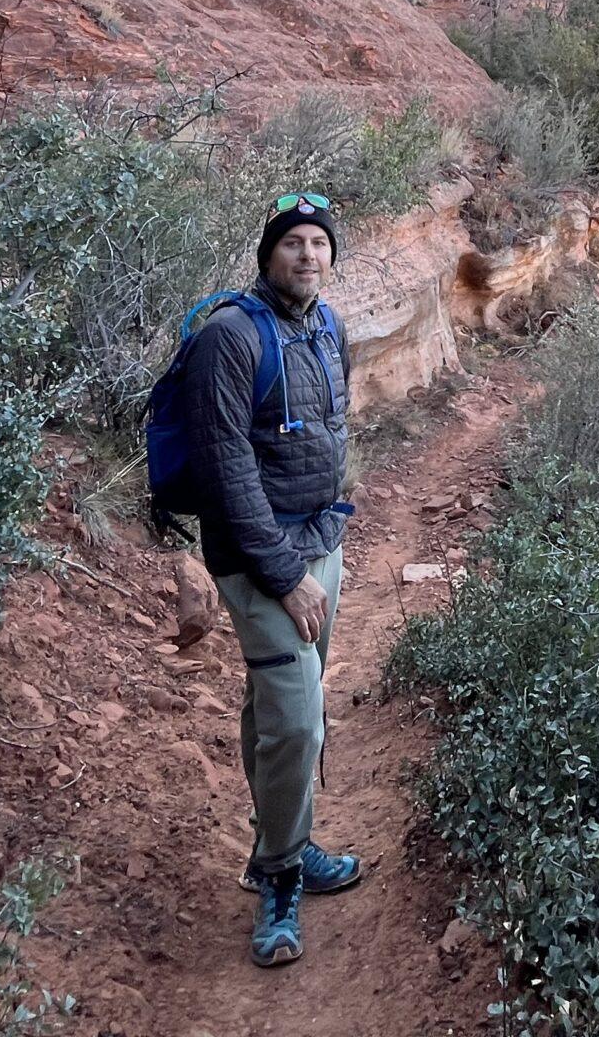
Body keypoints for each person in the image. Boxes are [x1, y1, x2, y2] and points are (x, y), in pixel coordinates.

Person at [174, 190, 361, 967]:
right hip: (261, 559)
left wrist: (329, 537)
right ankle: (282, 873)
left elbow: (334, 426)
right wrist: (286, 575)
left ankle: (272, 844)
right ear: (267, 254)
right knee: (297, 719)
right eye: (294, 243)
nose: (308, 255)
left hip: (321, 538)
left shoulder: (328, 327)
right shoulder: (230, 338)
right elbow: (226, 469)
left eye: (319, 243)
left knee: (276, 701)